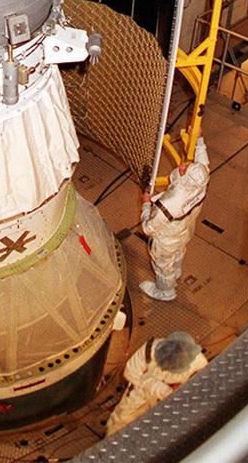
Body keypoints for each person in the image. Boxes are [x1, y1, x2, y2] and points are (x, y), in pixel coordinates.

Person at [140, 136, 209, 301]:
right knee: (179, 249)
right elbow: (203, 162)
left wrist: (146, 205)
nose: (183, 167)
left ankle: (165, 291)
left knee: (162, 264)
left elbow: (148, 228)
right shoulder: (202, 179)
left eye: (185, 170)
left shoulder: (170, 204)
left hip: (168, 236)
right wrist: (199, 138)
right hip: (186, 227)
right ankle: (176, 271)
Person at [105, 331, 208, 435]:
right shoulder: (149, 351)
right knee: (121, 418)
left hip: (167, 400)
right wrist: (158, 387)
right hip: (140, 392)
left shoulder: (199, 365)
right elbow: (130, 372)